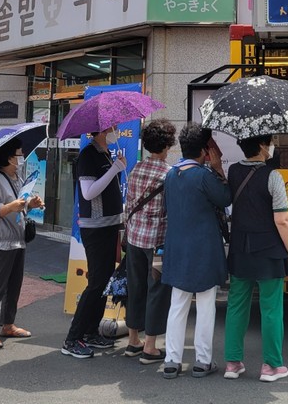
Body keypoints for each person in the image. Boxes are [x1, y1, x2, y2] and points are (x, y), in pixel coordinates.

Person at [223, 134, 288, 382]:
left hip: (240, 249)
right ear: (263, 146)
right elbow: (282, 219)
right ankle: (271, 366)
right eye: (270, 142)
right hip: (270, 250)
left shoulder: (233, 172)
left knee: (236, 306)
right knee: (271, 309)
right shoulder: (273, 176)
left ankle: (233, 364)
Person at [160, 123, 231, 380]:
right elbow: (225, 198)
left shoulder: (171, 174)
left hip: (177, 247)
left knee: (177, 305)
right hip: (204, 248)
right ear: (205, 150)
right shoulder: (204, 175)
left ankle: (171, 360)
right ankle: (202, 360)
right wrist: (219, 169)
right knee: (205, 304)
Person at [61, 125, 127, 359]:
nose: (116, 131)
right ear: (100, 131)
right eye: (112, 128)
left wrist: (116, 167)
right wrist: (115, 170)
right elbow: (88, 193)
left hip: (110, 224)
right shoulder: (88, 155)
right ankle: (72, 338)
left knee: (104, 280)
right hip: (95, 227)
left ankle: (90, 332)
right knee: (96, 282)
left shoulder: (106, 154)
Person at [0, 141, 43, 349]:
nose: (22, 158)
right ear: (8, 158)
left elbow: (20, 207)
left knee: (14, 286)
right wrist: (9, 207)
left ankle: (8, 324)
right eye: (19, 155)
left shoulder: (17, 178)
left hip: (17, 240)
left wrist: (29, 205)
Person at [122, 119, 176, 364]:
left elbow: (130, 203)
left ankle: (133, 341)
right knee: (156, 291)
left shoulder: (136, 169)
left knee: (135, 287)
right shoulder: (168, 173)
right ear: (166, 145)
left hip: (134, 238)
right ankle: (151, 347)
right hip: (157, 243)